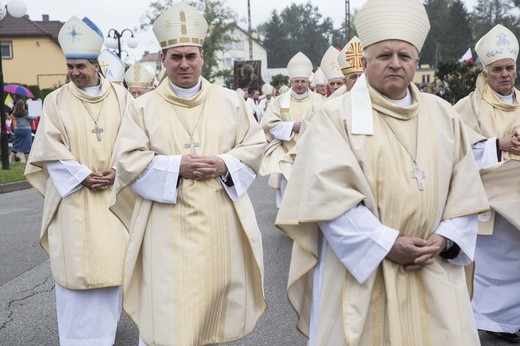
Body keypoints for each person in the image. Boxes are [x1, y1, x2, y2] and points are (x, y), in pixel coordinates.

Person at [275, 0, 490, 345]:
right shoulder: (336, 117)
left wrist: (446, 239)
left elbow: (465, 190)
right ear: (366, 62)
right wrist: (387, 243)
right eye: (384, 55)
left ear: (416, 62)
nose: (395, 64)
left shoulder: (443, 114)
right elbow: (329, 197)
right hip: (364, 271)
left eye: (404, 56)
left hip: (433, 267)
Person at [109, 3, 267, 345]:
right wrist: (176, 165)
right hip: (166, 227)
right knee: (171, 314)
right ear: (163, 60)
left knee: (216, 315)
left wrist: (225, 163)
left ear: (202, 57)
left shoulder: (231, 102)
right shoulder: (141, 108)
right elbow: (128, 159)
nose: (184, 64)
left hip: (220, 225)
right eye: (176, 57)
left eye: (190, 56)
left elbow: (255, 146)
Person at [24, 16, 132, 345]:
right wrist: (82, 175)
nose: (73, 72)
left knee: (110, 277)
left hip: (114, 201)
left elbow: (136, 142)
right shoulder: (57, 101)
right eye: (69, 66)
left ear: (97, 65)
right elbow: (48, 147)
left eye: (80, 66)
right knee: (75, 280)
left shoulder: (122, 98)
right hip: (73, 203)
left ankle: (104, 338)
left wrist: (118, 170)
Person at [454, 24, 520, 343]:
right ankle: (492, 322)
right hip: (490, 200)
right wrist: (500, 145)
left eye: (509, 68)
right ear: (485, 71)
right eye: (497, 69)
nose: (505, 74)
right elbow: (456, 149)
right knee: (493, 270)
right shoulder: (468, 107)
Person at [259, 51, 323, 207]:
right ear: (291, 82)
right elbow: (268, 124)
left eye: (303, 81)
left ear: (308, 82)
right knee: (289, 196)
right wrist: (292, 126)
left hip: (312, 154)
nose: (300, 84)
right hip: (287, 154)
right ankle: (288, 225)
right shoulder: (280, 101)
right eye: (296, 81)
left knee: (311, 194)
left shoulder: (319, 100)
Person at [9, 98, 35, 163]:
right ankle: (27, 161)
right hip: (26, 130)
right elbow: (33, 118)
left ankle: (11, 161)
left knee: (16, 145)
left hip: (17, 130)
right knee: (27, 145)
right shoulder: (26, 112)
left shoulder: (14, 112)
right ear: (23, 105)